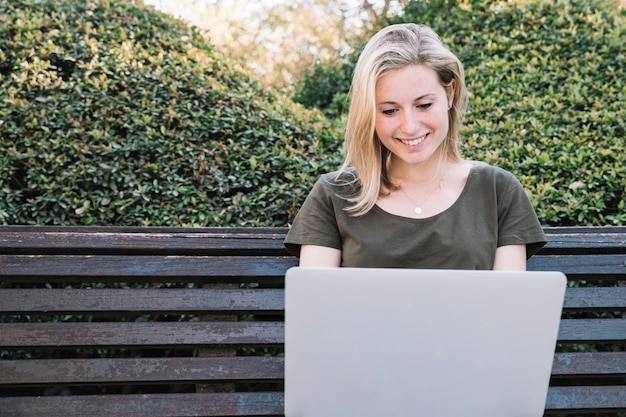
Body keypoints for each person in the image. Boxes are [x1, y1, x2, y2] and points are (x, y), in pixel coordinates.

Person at [284, 23, 546, 269]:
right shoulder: (334, 195)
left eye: (424, 105)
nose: (409, 126)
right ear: (369, 114)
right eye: (389, 110)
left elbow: (507, 309)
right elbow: (318, 309)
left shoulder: (497, 191)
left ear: (450, 93)